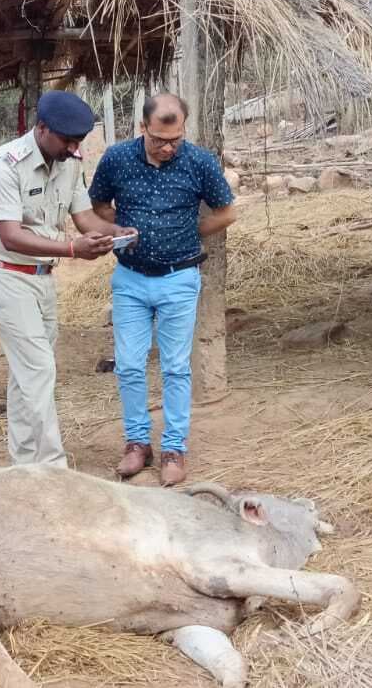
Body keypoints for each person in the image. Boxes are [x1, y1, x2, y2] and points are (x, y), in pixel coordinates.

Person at [0, 90, 135, 467]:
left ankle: (25, 466)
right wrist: (71, 249)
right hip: (6, 278)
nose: (73, 148)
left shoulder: (69, 162)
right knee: (39, 370)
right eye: (67, 140)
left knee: (27, 377)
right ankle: (53, 468)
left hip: (42, 280)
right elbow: (10, 235)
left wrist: (119, 232)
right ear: (42, 128)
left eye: (78, 141)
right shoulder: (4, 166)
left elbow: (85, 219)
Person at [88, 93, 236, 486]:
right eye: (159, 140)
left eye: (175, 139)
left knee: (175, 367)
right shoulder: (118, 158)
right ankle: (137, 443)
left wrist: (188, 232)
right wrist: (120, 228)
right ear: (142, 128)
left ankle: (174, 448)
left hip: (179, 278)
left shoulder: (200, 162)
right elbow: (98, 204)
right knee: (130, 365)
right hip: (130, 279)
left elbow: (226, 212)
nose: (168, 147)